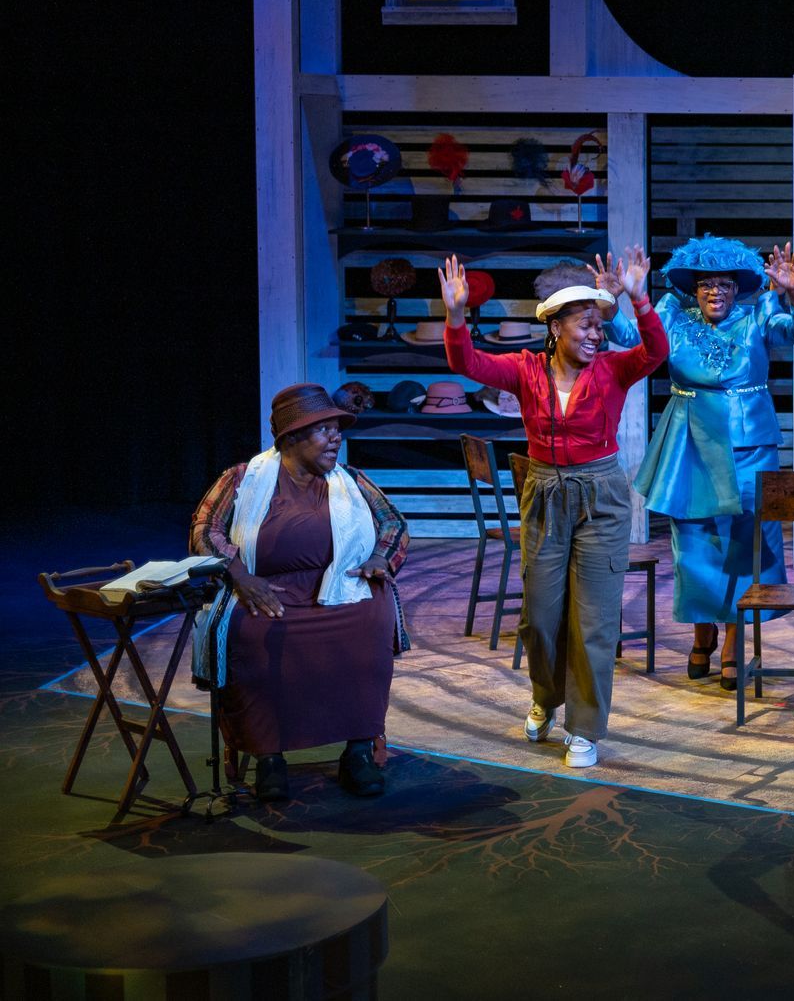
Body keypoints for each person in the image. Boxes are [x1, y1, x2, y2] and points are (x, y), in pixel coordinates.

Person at [440, 250, 667, 769]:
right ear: (555, 326)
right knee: (540, 616)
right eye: (585, 325)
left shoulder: (613, 369)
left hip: (602, 495)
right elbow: (466, 363)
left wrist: (638, 298)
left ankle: (584, 728)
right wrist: (456, 315)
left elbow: (656, 351)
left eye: (599, 327)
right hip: (543, 493)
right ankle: (546, 695)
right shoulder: (526, 370)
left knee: (594, 620)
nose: (595, 335)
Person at [189, 383, 411, 801]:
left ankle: (358, 751)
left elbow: (393, 523)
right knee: (252, 632)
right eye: (323, 430)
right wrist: (239, 574)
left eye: (337, 429)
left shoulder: (351, 480)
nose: (336, 438)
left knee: (370, 620)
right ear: (291, 438)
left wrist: (381, 559)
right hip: (265, 591)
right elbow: (205, 529)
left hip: (341, 589)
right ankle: (269, 756)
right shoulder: (243, 479)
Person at [632, 236, 794, 691]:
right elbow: (623, 337)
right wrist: (633, 296)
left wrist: (793, 290)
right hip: (689, 443)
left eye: (725, 285)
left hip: (750, 448)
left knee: (744, 544)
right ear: (693, 289)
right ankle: (702, 634)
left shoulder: (758, 314)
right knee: (693, 544)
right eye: (707, 284)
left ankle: (733, 644)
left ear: (738, 289)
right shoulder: (672, 315)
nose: (716, 292)